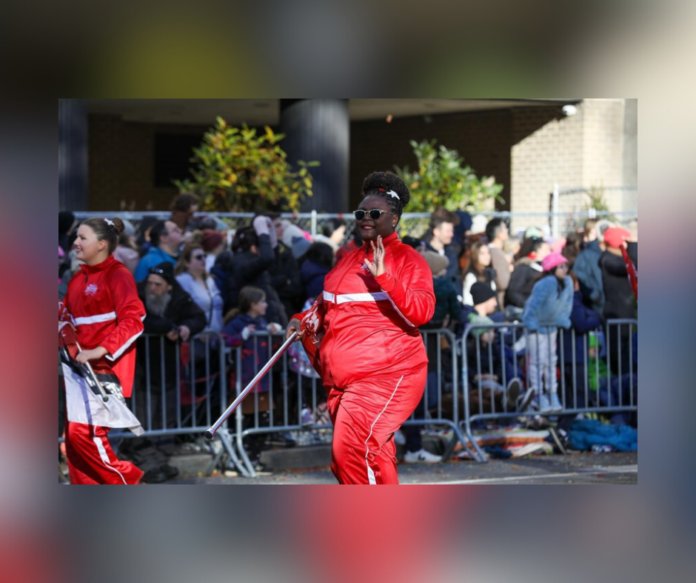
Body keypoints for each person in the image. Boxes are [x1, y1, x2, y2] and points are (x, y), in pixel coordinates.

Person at [286, 171, 435, 485]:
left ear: (394, 220)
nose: (366, 218)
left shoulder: (409, 260)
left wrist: (386, 279)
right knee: (373, 457)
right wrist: (302, 320)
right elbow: (324, 308)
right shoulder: (346, 260)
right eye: (360, 213)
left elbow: (422, 313)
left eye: (375, 213)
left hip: (387, 375)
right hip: (342, 381)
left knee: (351, 451)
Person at [59, 217, 146, 485]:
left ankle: (130, 482)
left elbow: (135, 319)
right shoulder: (76, 279)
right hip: (78, 372)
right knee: (73, 444)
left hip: (105, 371)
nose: (75, 243)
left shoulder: (118, 274)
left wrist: (100, 349)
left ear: (102, 244)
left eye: (82, 238)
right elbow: (68, 321)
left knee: (83, 436)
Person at [222, 287, 284, 464]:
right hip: (243, 383)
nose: (266, 305)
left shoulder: (263, 322)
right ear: (252, 304)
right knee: (243, 422)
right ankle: (236, 459)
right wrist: (240, 336)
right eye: (262, 301)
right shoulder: (236, 322)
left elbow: (273, 351)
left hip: (262, 382)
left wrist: (275, 336)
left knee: (262, 422)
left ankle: (254, 459)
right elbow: (220, 342)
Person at [552, 272, 602, 453]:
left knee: (571, 398)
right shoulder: (572, 301)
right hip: (574, 355)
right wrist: (596, 318)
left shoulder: (563, 300)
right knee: (578, 398)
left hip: (568, 355)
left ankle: (561, 433)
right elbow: (581, 322)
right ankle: (561, 431)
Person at [521, 252, 573, 414]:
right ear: (552, 268)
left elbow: (567, 304)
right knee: (538, 361)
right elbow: (534, 304)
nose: (565, 269)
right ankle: (538, 393)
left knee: (551, 361)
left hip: (551, 327)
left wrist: (563, 318)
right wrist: (531, 321)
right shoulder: (546, 283)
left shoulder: (567, 283)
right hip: (537, 327)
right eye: (561, 266)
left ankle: (552, 393)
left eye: (566, 266)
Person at [231, 216, 289, 326]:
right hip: (260, 325)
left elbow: (274, 263)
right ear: (254, 248)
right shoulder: (243, 264)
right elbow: (267, 258)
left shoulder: (250, 264)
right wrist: (262, 231)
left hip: (271, 321)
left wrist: (271, 233)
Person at [174, 243, 224, 333]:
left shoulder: (209, 280)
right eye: (198, 257)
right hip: (195, 338)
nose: (203, 260)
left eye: (204, 256)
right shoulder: (182, 280)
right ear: (186, 262)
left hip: (216, 337)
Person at [268, 214, 305, 317]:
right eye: (277, 226)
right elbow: (265, 286)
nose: (282, 229)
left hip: (287, 310)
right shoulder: (260, 255)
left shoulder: (286, 253)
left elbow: (296, 286)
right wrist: (283, 280)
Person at [505, 237, 551, 308]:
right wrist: (527, 304)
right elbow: (513, 292)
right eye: (545, 251)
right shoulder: (523, 268)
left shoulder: (548, 269)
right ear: (534, 252)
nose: (549, 253)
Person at [424, 208, 461, 292]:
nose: (451, 234)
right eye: (448, 231)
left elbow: (456, 279)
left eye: (452, 231)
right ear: (436, 231)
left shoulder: (452, 251)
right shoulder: (425, 254)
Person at [573, 221, 606, 316]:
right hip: (596, 307)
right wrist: (595, 296)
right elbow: (581, 278)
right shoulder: (586, 254)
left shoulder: (607, 252)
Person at [485, 218, 512, 307]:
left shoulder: (495, 251)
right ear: (499, 234)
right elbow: (503, 283)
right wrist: (510, 269)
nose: (507, 230)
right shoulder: (495, 253)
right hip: (499, 301)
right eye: (504, 228)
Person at [462, 241, 497, 307]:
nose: (487, 256)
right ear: (475, 255)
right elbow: (468, 302)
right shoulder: (471, 276)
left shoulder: (489, 272)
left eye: (488, 253)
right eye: (482, 254)